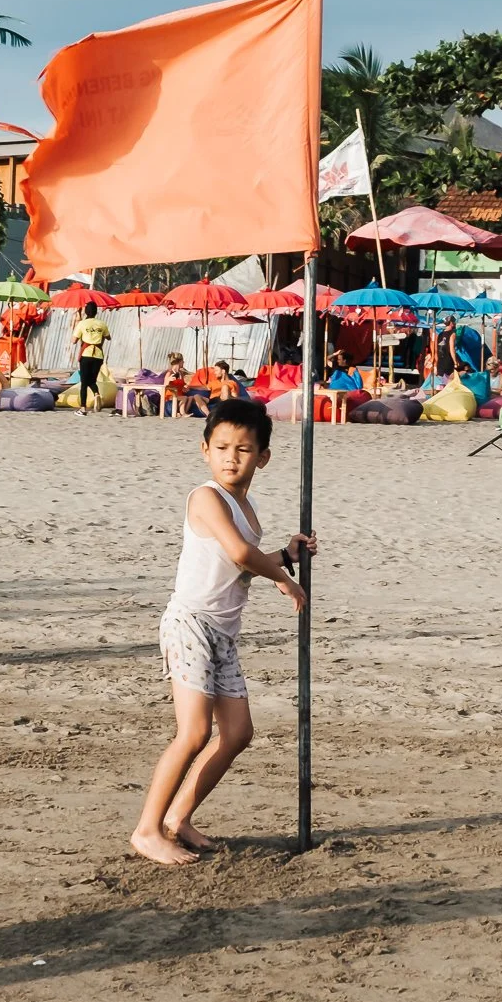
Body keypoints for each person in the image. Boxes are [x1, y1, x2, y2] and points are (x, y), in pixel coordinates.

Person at [129, 398, 315, 866]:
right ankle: (147, 829)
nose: (232, 457)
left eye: (244, 449)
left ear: (263, 457)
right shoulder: (206, 497)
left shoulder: (246, 508)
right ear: (205, 450)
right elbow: (236, 554)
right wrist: (284, 578)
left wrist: (285, 556)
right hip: (190, 623)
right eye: (223, 447)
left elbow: (245, 563)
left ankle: (178, 817)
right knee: (193, 732)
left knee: (237, 733)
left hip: (222, 633)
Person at [71, 300, 110, 414]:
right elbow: (108, 337)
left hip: (86, 354)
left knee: (84, 382)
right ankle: (96, 394)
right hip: (98, 355)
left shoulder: (82, 324)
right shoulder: (102, 324)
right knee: (92, 380)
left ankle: (83, 408)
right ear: (96, 312)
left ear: (86, 312)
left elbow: (73, 341)